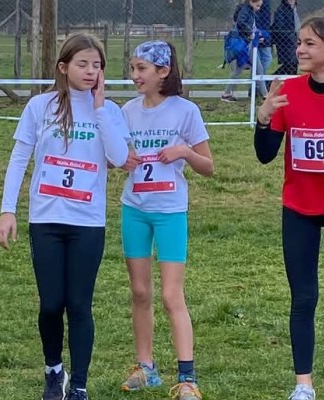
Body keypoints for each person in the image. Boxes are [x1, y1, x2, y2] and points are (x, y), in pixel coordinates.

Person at [0, 32, 135, 400]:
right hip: (46, 220)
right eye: (82, 64)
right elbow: (19, 158)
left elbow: (120, 158)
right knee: (51, 304)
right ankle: (54, 369)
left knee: (79, 305)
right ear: (63, 67)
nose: (90, 71)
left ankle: (80, 385)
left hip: (88, 222)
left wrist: (100, 108)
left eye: (97, 65)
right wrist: (7, 210)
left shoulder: (110, 110)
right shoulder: (40, 107)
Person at [254, 12, 324, 400]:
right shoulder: (288, 91)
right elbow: (265, 155)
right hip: (299, 210)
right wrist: (263, 119)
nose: (299, 49)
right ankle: (303, 386)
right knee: (303, 298)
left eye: (309, 43)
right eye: (299, 42)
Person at [118, 40, 214, 400]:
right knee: (140, 291)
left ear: (163, 71)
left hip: (170, 213)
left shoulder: (185, 111)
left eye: (142, 68)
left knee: (172, 294)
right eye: (132, 68)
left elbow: (209, 167)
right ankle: (146, 368)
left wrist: (184, 152)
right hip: (134, 210)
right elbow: (115, 156)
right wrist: (121, 159)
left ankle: (187, 378)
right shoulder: (127, 111)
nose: (134, 75)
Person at [222, 0, 269, 102]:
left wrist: (256, 35)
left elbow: (249, 25)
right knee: (242, 68)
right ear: (251, 2)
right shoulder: (246, 10)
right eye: (257, 5)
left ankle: (265, 94)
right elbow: (241, 22)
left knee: (257, 67)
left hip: (248, 43)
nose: (259, 8)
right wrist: (250, 33)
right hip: (245, 45)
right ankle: (265, 95)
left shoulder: (249, 10)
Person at [271, 0, 300, 76]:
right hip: (285, 43)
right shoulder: (281, 10)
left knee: (292, 64)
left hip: (293, 41)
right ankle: (269, 80)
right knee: (290, 64)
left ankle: (270, 80)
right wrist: (291, 37)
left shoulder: (293, 9)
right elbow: (279, 28)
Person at [255, 0, 273, 74]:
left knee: (261, 60)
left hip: (264, 33)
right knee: (266, 58)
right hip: (260, 33)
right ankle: (259, 77)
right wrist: (260, 34)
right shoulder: (261, 4)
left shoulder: (266, 3)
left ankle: (259, 78)